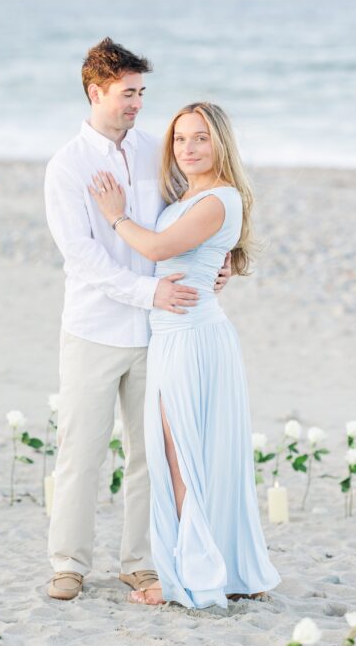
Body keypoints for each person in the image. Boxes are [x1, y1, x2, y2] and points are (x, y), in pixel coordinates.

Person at [44, 39, 230, 601]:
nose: (137, 104)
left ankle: (141, 561)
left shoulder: (158, 151)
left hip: (159, 332)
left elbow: (191, 214)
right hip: (94, 328)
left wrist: (215, 268)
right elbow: (83, 259)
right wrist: (149, 293)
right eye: (128, 94)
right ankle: (69, 563)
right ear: (96, 91)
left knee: (149, 451)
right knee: (82, 449)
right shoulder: (67, 167)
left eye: (142, 93)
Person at [89, 102, 281, 608]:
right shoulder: (191, 195)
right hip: (175, 334)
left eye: (199, 139)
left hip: (192, 338)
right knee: (196, 456)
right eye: (179, 140)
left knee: (182, 458)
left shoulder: (218, 198)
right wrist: (225, 265)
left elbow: (155, 249)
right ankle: (225, 569)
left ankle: (190, 579)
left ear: (220, 142)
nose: (187, 149)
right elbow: (207, 253)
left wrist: (115, 216)